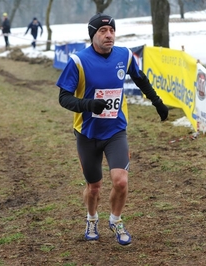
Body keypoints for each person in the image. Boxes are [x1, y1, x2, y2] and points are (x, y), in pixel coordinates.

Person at [56, 13, 169, 246]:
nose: (109, 35)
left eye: (112, 31)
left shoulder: (125, 56)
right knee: (94, 186)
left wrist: (157, 102)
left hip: (116, 130)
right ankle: (91, 218)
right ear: (92, 35)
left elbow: (141, 80)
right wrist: (88, 105)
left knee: (121, 181)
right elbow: (64, 98)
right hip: (87, 132)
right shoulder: (78, 61)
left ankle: (116, 220)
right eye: (103, 31)